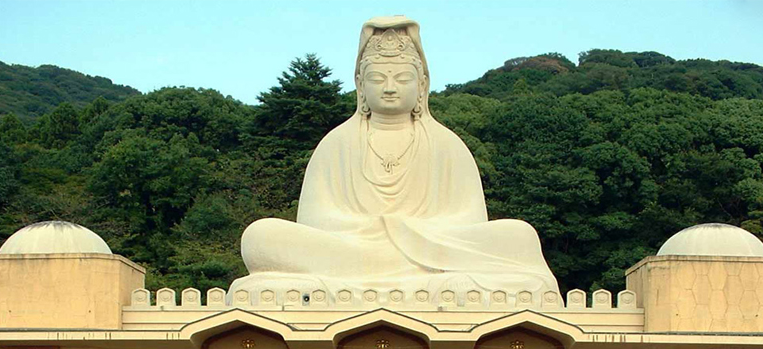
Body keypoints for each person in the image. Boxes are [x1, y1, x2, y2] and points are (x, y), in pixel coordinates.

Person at [229, 16, 559, 305]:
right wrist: (381, 230)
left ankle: (391, 275)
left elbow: (470, 220)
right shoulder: (337, 143)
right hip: (355, 250)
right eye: (377, 79)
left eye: (401, 79)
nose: (389, 88)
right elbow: (314, 220)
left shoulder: (446, 144)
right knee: (261, 236)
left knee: (520, 236)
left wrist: (410, 231)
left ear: (422, 85)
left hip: (431, 253)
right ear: (360, 84)